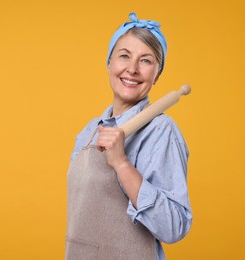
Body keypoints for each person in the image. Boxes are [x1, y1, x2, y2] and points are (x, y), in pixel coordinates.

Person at [65, 12, 192, 260]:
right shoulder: (89, 132)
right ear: (109, 62)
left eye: (145, 61)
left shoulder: (161, 131)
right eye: (124, 56)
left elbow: (174, 227)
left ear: (157, 75)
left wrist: (122, 164)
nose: (132, 69)